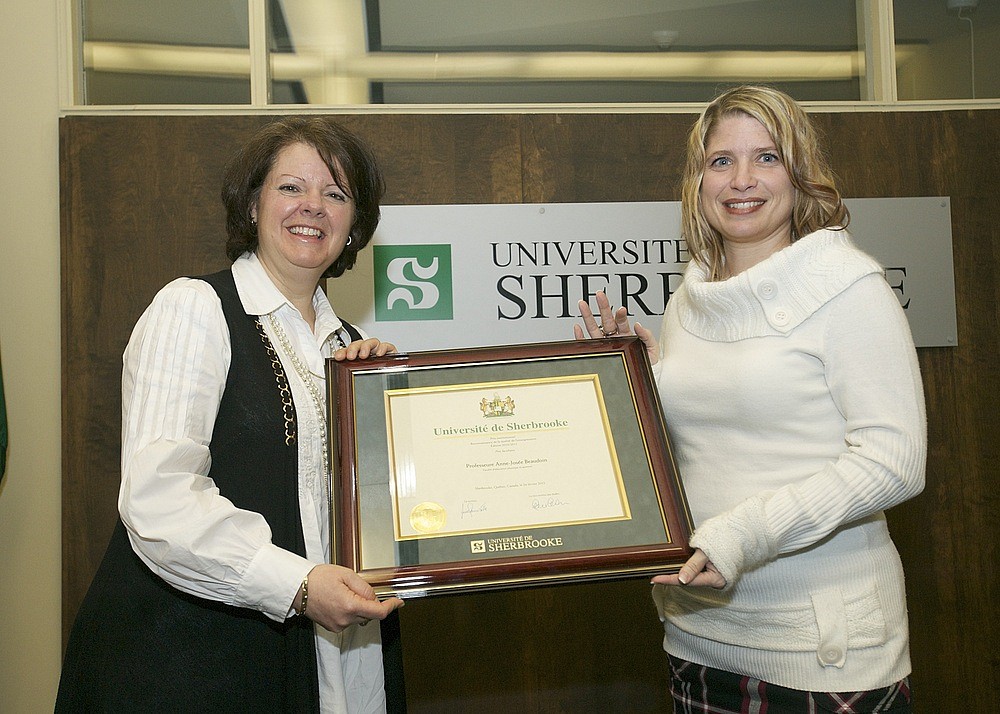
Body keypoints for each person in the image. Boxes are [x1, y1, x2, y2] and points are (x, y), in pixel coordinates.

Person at [576, 85, 926, 712]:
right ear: (698, 180)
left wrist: (743, 535)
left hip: (822, 654)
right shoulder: (693, 296)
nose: (742, 180)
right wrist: (634, 374)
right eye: (721, 161)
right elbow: (717, 434)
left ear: (799, 172)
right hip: (699, 637)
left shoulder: (849, 288)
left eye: (766, 157)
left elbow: (894, 461)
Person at [56, 117, 405, 713]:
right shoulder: (194, 309)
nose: (313, 206)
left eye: (336, 193)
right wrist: (295, 585)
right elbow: (159, 499)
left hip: (325, 657)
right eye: (291, 187)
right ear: (252, 205)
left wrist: (387, 404)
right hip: (187, 665)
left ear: (354, 227)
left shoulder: (356, 350)